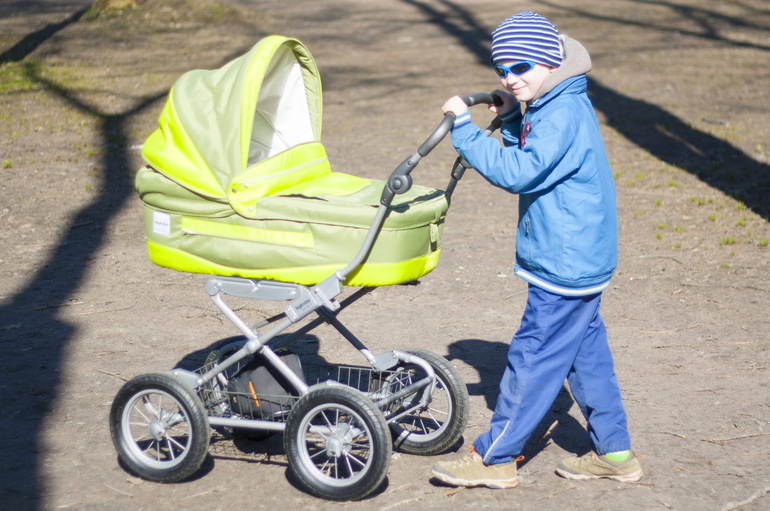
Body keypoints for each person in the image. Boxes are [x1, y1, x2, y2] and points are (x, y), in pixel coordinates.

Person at [430, 11, 642, 489]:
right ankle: (615, 452)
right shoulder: (556, 101)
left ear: (549, 62)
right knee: (587, 359)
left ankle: (495, 458)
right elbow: (533, 157)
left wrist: (464, 129)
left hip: (564, 262)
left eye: (521, 67)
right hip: (580, 256)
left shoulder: (561, 113)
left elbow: (520, 172)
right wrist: (510, 117)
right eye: (502, 69)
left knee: (532, 357)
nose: (510, 78)